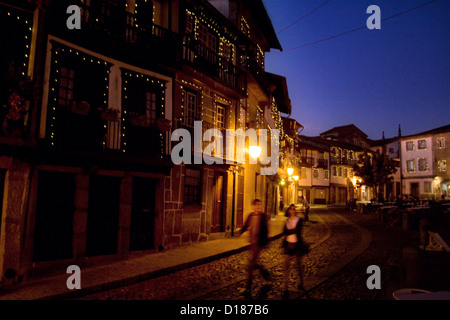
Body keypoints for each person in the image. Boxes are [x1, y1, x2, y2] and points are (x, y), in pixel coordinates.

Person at [239, 199, 271, 298]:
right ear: (253, 206)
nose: (258, 206)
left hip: (259, 243)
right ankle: (266, 274)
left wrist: (266, 242)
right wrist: (240, 232)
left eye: (259, 205)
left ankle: (247, 287)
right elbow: (246, 226)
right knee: (255, 263)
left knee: (251, 265)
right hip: (252, 243)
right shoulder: (250, 216)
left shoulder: (262, 216)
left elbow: (266, 230)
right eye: (256, 205)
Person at [282, 204, 308, 298]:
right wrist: (289, 232)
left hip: (297, 245)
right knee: (286, 267)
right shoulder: (287, 221)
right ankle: (285, 288)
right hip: (288, 245)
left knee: (298, 266)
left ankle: (301, 283)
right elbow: (284, 232)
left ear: (295, 211)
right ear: (288, 211)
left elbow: (298, 231)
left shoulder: (299, 220)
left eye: (293, 209)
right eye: (290, 209)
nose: (292, 211)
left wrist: (290, 231)